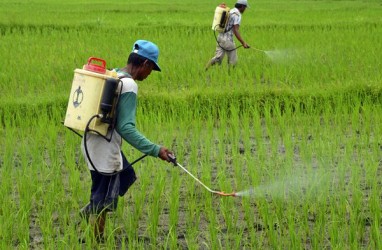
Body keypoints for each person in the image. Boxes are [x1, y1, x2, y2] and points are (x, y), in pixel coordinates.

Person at [79, 39, 174, 240]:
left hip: (91, 140)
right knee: (103, 197)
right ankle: (97, 238)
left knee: (126, 174)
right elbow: (126, 128)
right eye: (151, 70)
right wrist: (156, 150)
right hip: (104, 148)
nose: (150, 75)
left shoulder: (114, 74)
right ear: (145, 64)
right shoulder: (129, 84)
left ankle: (91, 208)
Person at [205, 0, 250, 70]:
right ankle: (230, 76)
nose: (245, 9)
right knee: (233, 61)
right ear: (242, 6)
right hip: (228, 40)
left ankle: (205, 70)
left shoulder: (230, 11)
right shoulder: (237, 15)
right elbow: (236, 30)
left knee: (218, 58)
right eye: (245, 7)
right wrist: (243, 43)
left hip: (220, 37)